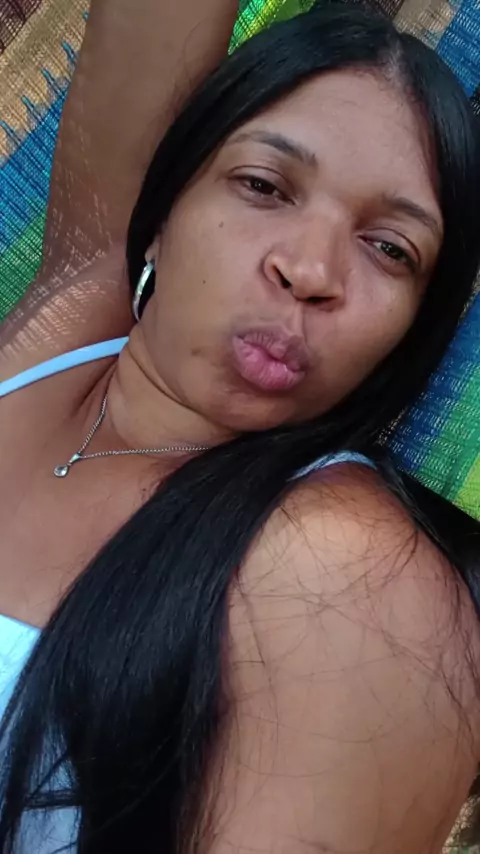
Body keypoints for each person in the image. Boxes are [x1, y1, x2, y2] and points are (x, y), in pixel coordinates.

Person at [0, 1, 479, 851]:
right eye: (263, 186)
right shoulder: (60, 337)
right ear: (162, 215)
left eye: (390, 249)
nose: (309, 269)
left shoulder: (346, 577)